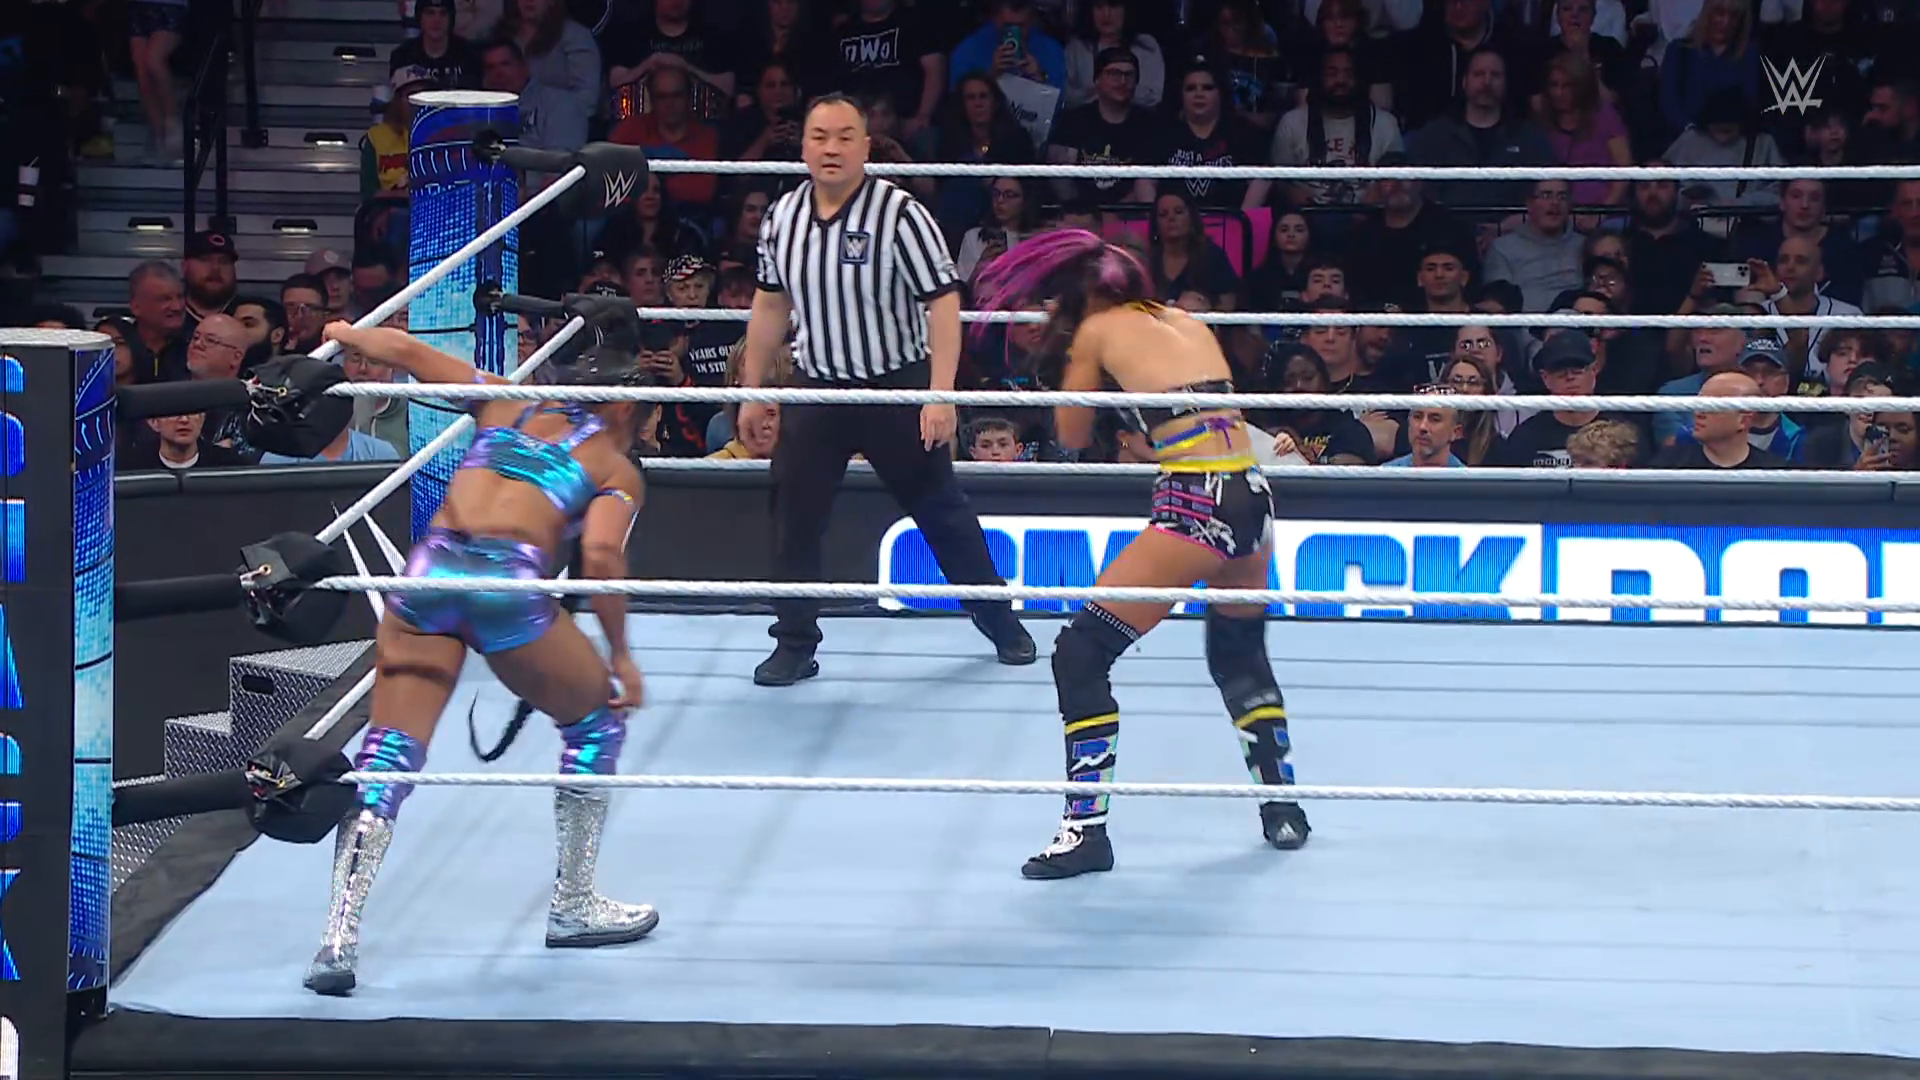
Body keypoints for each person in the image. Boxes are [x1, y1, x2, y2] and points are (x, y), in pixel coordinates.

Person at [299, 320, 662, 996]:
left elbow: (405, 351)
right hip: (504, 588)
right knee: (595, 724)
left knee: (387, 752)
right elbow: (602, 555)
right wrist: (621, 658)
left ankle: (336, 939)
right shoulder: (615, 465)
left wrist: (341, 330)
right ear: (623, 408)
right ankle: (574, 904)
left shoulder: (505, 399)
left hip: (428, 575)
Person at [969, 230, 1310, 881]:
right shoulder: (1185, 321)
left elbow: (1071, 435)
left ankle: (1085, 832)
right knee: (1238, 654)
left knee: (1080, 653)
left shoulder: (1097, 329)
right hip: (1253, 494)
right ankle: (1283, 808)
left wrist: (1071, 364)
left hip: (1198, 501)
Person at [737, 92, 1035, 686]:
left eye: (845, 136)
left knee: (940, 510)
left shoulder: (901, 214)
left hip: (894, 384)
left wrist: (940, 392)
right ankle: (794, 643)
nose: (832, 148)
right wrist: (752, 389)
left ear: (866, 147)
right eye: (820, 136)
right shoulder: (782, 217)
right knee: (793, 515)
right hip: (818, 386)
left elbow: (943, 303)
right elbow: (770, 304)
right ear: (804, 146)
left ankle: (1001, 621)